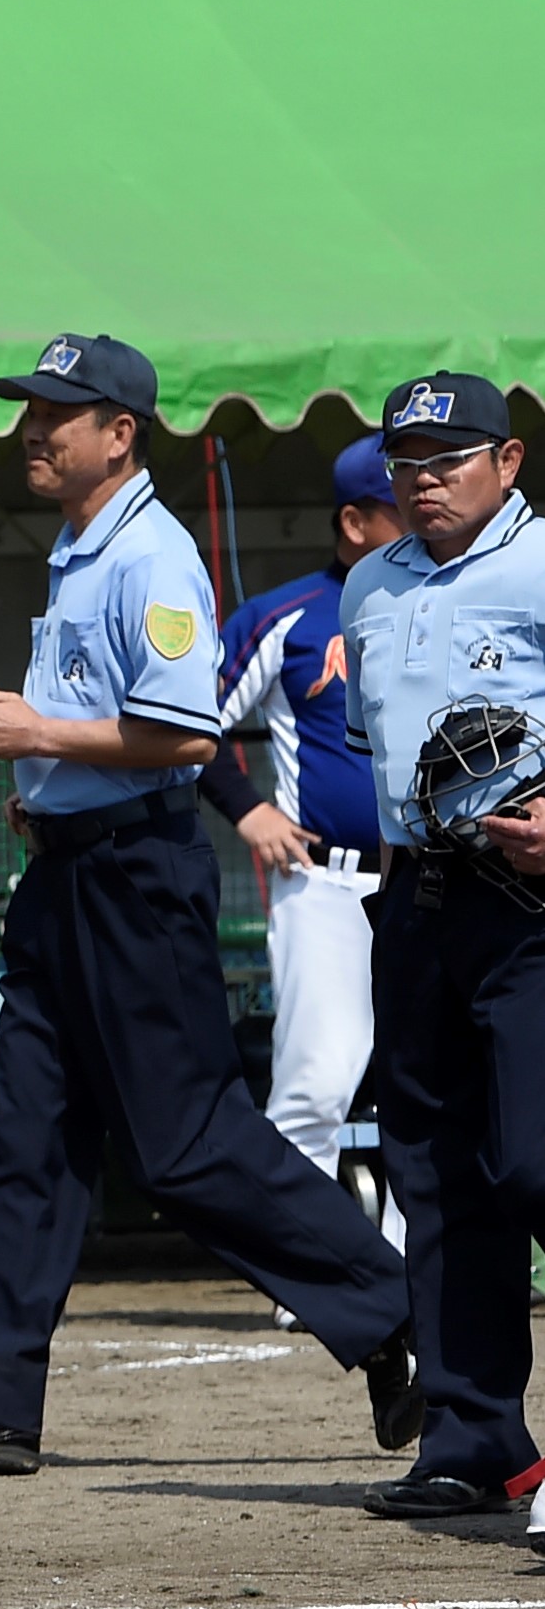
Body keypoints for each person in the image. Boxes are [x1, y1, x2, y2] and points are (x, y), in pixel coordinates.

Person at [0, 334, 417, 1480]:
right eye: (31, 409)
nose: (32, 429)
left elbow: (183, 734)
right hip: (72, 871)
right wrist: (46, 786)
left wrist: (35, 735)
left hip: (133, 881)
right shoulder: (84, 545)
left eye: (56, 414)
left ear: (119, 434)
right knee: (21, 1130)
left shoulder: (149, 553)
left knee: (186, 1145)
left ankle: (396, 1309)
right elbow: (117, 718)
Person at [337, 372, 545, 1531]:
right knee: (433, 1169)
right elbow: (375, 747)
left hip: (531, 903)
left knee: (532, 1161)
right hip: (416, 900)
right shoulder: (369, 583)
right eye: (405, 462)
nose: (421, 480)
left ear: (507, 462)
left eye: (447, 459)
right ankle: (475, 1442)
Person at [197, 436, 404, 1234]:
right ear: (354, 522)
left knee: (427, 1089)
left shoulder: (446, 606)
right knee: (315, 1088)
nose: (422, 516)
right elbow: (189, 724)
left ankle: (417, 1273)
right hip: (327, 883)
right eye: (398, 507)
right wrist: (247, 809)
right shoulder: (289, 615)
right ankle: (312, 1273)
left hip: (435, 880)